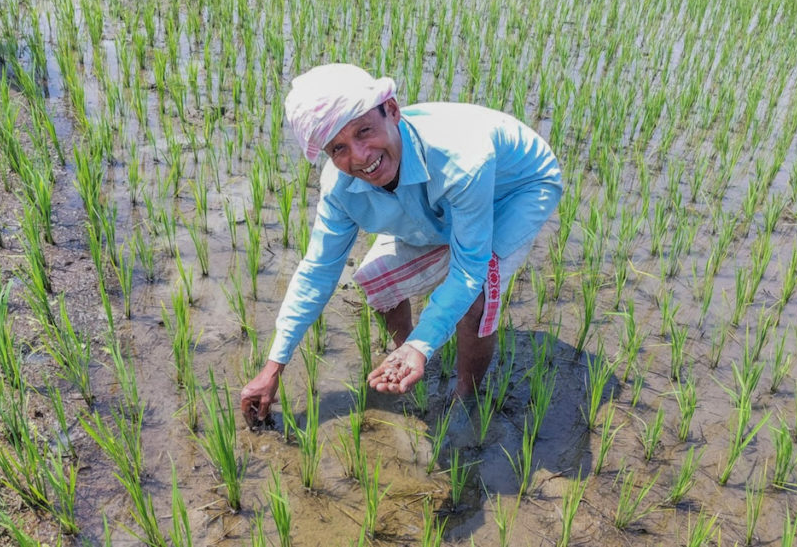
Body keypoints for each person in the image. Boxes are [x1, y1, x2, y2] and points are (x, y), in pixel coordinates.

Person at [239, 63, 562, 428]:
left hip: (516, 190)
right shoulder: (340, 189)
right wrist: (272, 366)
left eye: (364, 131)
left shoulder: (462, 158)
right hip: (442, 201)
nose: (360, 156)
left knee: (476, 292)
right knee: (377, 281)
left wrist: (424, 341)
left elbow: (469, 267)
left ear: (391, 110)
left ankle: (465, 399)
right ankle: (406, 354)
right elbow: (317, 271)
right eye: (339, 148)